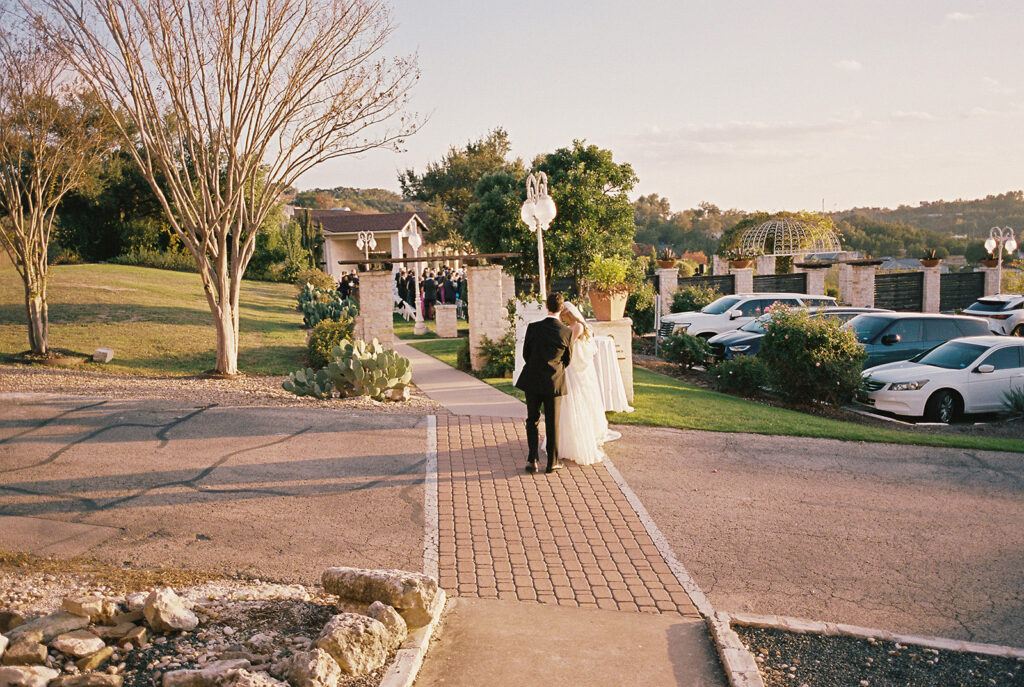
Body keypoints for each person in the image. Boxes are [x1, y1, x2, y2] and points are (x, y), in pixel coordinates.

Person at [514, 292, 573, 474]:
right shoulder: (567, 332)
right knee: (552, 422)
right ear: (561, 308)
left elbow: (526, 353)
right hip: (554, 382)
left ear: (547, 306)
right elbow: (567, 359)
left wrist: (536, 365)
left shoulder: (533, 328)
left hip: (532, 379)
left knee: (532, 419)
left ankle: (532, 460)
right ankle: (552, 462)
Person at [555, 301, 618, 465]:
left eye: (563, 315)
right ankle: (565, 437)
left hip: (576, 367)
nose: (562, 318)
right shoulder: (571, 326)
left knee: (577, 397)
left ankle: (579, 437)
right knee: (568, 400)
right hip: (571, 365)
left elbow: (569, 344)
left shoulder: (577, 327)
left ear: (569, 314)